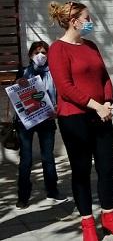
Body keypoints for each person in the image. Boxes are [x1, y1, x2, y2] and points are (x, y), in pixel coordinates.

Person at [47, 1, 113, 240]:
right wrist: (95, 106)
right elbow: (65, 88)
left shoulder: (91, 46)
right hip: (74, 119)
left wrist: (107, 102)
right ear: (75, 21)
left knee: (107, 169)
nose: (90, 21)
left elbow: (104, 76)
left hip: (101, 115)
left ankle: (109, 217)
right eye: (87, 17)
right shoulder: (57, 49)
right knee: (81, 171)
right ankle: (87, 225)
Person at [15, 41, 66, 209]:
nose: (41, 56)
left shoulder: (54, 73)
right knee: (26, 160)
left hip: (47, 120)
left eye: (44, 52)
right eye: (37, 52)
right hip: (26, 122)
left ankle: (52, 190)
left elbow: (59, 94)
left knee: (48, 158)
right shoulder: (23, 72)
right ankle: (23, 196)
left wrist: (57, 109)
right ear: (30, 55)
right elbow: (16, 96)